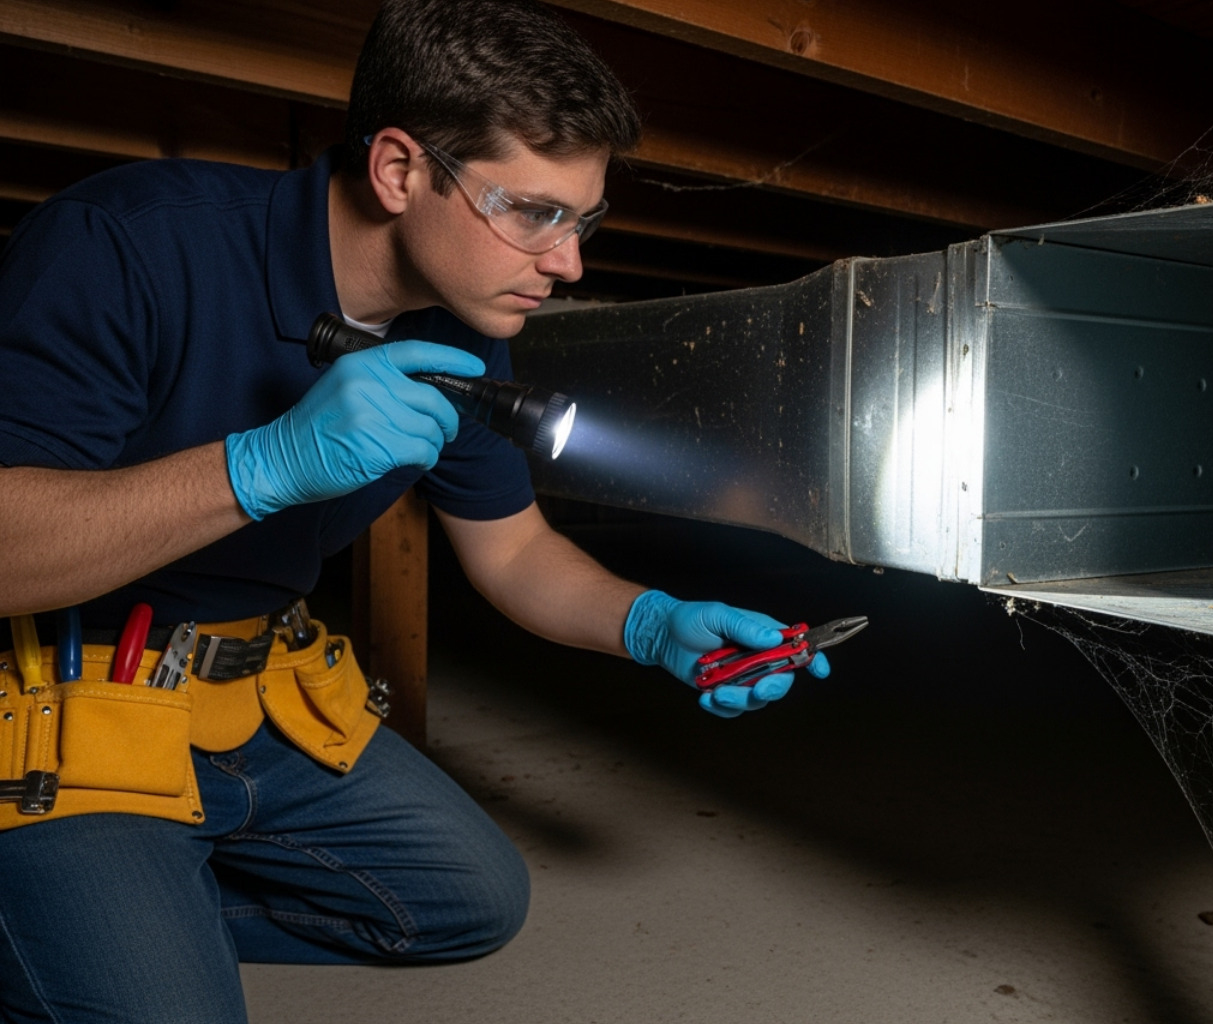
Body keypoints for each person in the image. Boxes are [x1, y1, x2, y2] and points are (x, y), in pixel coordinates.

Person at [0, 1, 832, 1019]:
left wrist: (651, 622)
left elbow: (515, 551)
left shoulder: (465, 334)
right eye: (534, 212)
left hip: (245, 703)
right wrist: (261, 465)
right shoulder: (126, 246)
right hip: (59, 697)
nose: (569, 263)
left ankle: (116, 919)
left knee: (470, 899)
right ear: (400, 171)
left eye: (585, 219)